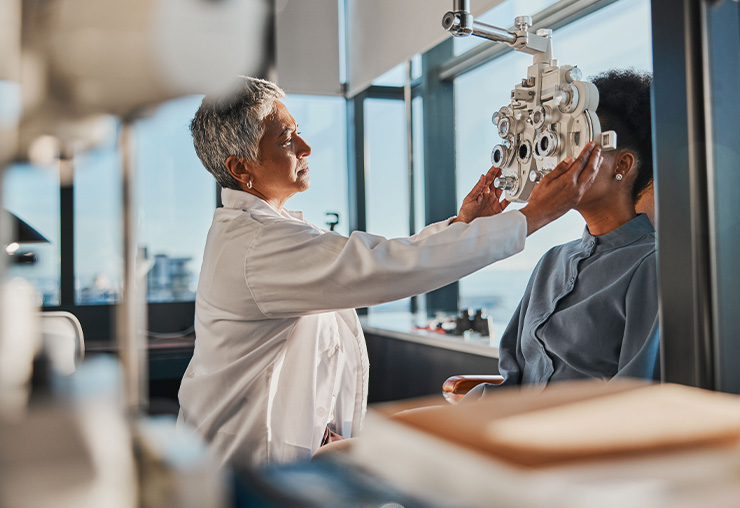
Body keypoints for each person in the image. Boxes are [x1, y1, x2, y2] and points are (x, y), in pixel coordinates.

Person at [177, 76, 602, 467]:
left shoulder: (272, 232)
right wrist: (533, 215)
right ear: (241, 169)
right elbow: (386, 266)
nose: (306, 148)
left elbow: (378, 261)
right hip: (238, 466)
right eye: (287, 140)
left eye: (298, 132)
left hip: (285, 449)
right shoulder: (257, 246)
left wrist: (462, 226)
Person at [468, 69, 658, 399]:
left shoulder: (651, 266)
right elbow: (512, 378)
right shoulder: (552, 262)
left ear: (622, 166)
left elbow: (633, 398)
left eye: (578, 146)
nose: (561, 164)